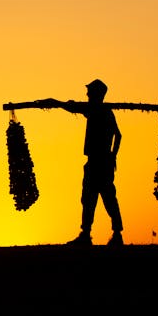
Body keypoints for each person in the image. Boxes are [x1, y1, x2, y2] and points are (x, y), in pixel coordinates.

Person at [45, 79, 124, 246]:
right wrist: (113, 156)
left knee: (103, 197)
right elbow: (118, 135)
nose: (87, 94)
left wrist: (56, 102)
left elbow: (118, 135)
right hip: (98, 161)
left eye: (90, 92)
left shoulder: (99, 110)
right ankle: (90, 234)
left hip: (99, 162)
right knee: (91, 198)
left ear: (97, 94)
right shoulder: (101, 111)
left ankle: (112, 234)